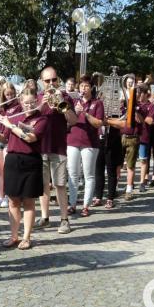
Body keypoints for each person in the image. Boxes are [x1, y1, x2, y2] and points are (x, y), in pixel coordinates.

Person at [0, 88, 47, 250]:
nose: (29, 105)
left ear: (37, 101)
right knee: (13, 201)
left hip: (31, 161)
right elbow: (3, 138)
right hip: (13, 160)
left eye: (32, 102)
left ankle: (26, 237)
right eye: (26, 103)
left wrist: (10, 126)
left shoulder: (41, 119)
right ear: (20, 102)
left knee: (28, 201)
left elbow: (30, 138)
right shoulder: (15, 116)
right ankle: (14, 236)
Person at [35, 66, 78, 234]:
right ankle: (44, 217)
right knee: (43, 185)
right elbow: (31, 118)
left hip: (58, 147)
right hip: (40, 147)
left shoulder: (65, 97)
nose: (51, 83)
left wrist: (62, 103)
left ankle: (64, 219)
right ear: (42, 82)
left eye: (54, 80)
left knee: (60, 184)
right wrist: (42, 104)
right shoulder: (38, 97)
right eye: (47, 81)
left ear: (58, 80)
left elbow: (73, 121)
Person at [66, 74, 103, 216]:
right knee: (72, 174)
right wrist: (75, 112)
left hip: (90, 143)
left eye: (86, 86)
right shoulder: (73, 101)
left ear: (91, 88)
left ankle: (86, 206)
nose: (83, 88)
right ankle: (72, 204)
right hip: (73, 140)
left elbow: (98, 123)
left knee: (89, 175)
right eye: (81, 86)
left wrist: (85, 113)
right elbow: (68, 121)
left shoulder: (97, 103)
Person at [0, 82, 19, 208]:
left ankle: (8, 196)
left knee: (8, 170)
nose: (9, 97)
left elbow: (8, 119)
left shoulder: (18, 106)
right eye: (7, 94)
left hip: (9, 139)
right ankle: (0, 196)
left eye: (11, 94)